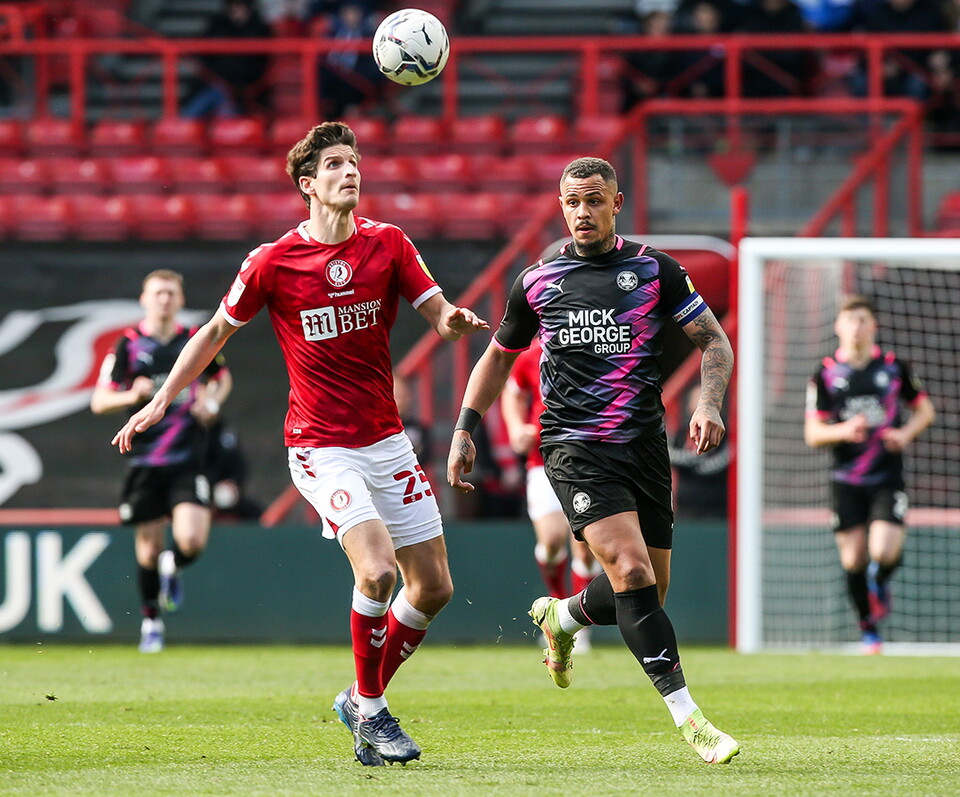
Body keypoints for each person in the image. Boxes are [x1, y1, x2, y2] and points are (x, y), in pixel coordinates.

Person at [112, 122, 488, 766]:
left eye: (355, 162)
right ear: (308, 184)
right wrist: (160, 398)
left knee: (433, 589)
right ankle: (371, 714)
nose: (351, 172)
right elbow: (211, 335)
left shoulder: (390, 245)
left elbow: (438, 314)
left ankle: (359, 697)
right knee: (374, 570)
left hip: (386, 442)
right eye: (336, 164)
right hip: (320, 445)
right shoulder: (272, 261)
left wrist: (452, 321)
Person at [447, 157, 740, 765]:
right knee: (631, 573)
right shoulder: (537, 281)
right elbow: (498, 359)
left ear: (616, 202)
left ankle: (563, 614)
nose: (582, 213)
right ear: (562, 207)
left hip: (645, 448)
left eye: (593, 201)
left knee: (649, 589)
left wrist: (709, 402)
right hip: (573, 446)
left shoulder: (656, 270)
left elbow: (713, 339)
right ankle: (692, 721)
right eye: (572, 203)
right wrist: (464, 429)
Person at [91, 269, 232, 654]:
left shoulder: (194, 339)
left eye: (171, 293)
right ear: (144, 299)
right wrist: (130, 396)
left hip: (189, 457)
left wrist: (212, 401)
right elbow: (99, 400)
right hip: (145, 460)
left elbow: (222, 378)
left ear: (181, 300)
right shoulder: (127, 345)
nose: (165, 300)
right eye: (158, 293)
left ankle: (175, 563)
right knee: (148, 549)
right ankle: (151, 621)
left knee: (191, 540)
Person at [804, 294, 935, 654]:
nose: (856, 327)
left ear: (873, 326)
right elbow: (813, 434)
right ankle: (868, 628)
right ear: (838, 327)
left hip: (885, 476)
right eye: (850, 320)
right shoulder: (826, 373)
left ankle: (881, 584)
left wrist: (905, 434)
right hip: (846, 479)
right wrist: (843, 431)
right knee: (853, 560)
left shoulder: (894, 368)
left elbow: (925, 412)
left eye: (863, 320)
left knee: (884, 551)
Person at [500, 335, 602, 650]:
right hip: (542, 462)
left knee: (584, 547)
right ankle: (556, 610)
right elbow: (513, 392)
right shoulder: (532, 353)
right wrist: (517, 429)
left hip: (588, 461)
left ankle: (577, 625)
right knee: (552, 542)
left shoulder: (594, 344)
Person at [182, 0, 273, 118]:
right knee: (187, 117)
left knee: (226, 111)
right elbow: (200, 51)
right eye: (231, 6)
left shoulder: (260, 29)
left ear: (249, 7)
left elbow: (256, 64)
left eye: (239, 6)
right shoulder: (217, 25)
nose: (235, 10)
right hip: (213, 85)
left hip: (242, 91)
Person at [668, 383, 729, 519]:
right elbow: (668, 454)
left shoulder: (726, 433)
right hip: (687, 509)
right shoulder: (680, 434)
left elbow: (721, 462)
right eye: (696, 399)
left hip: (717, 510)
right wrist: (695, 460)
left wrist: (695, 462)